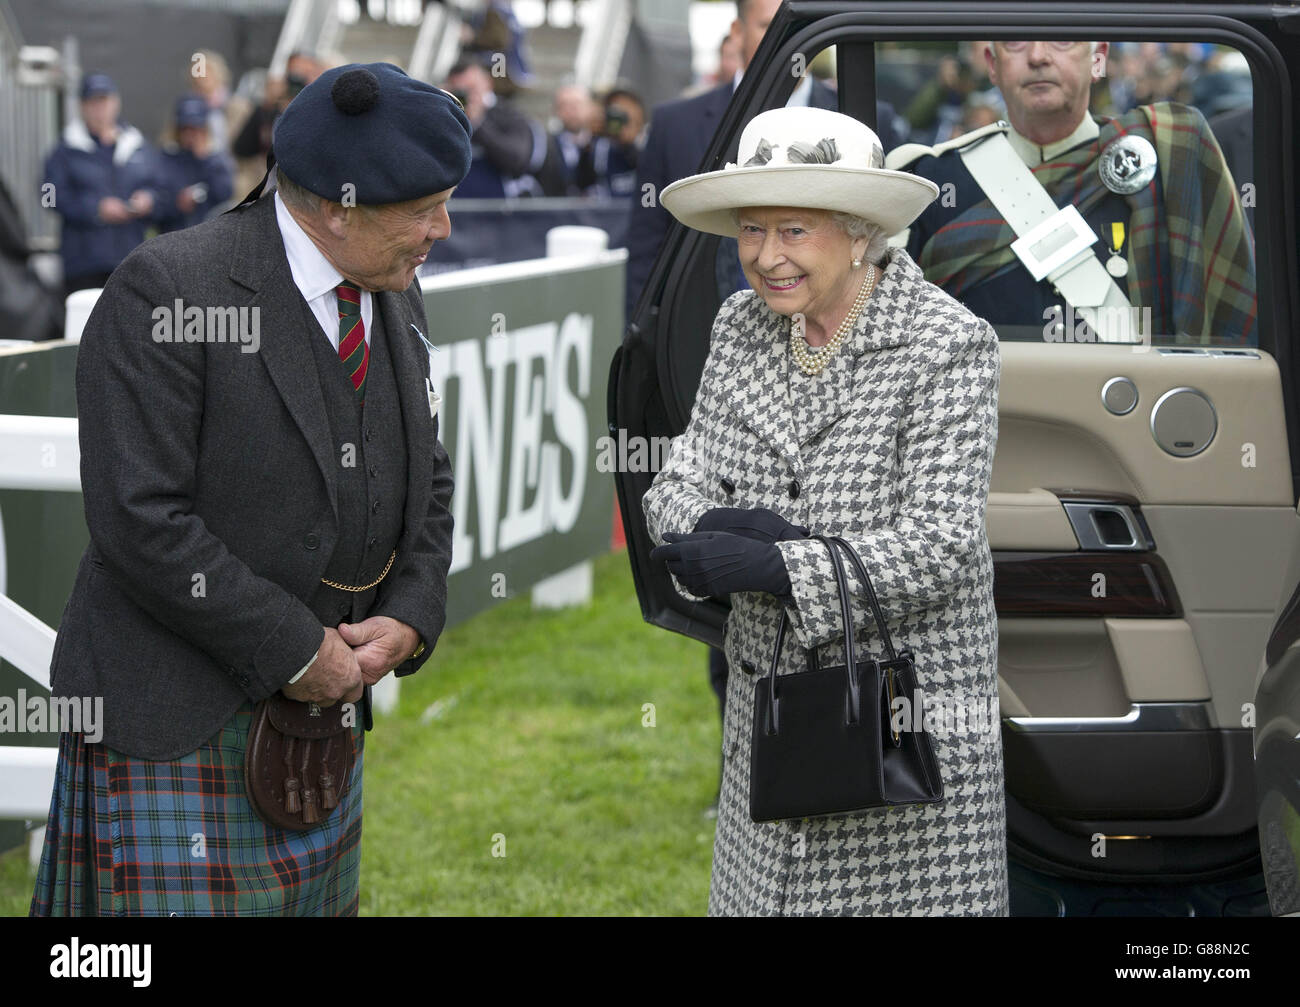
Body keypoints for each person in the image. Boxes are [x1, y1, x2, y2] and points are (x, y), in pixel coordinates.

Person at [30, 63, 466, 917]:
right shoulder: (167, 291)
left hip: (318, 737)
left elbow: (429, 474)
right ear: (337, 205)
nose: (442, 230)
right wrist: (297, 651)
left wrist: (413, 609)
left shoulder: (395, 294)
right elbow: (139, 520)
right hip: (173, 724)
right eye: (422, 210)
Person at [645, 106, 1006, 915]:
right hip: (770, 720)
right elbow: (676, 482)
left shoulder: (947, 343)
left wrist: (785, 562)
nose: (765, 257)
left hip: (904, 730)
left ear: (859, 232)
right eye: (750, 230)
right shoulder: (741, 326)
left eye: (794, 230)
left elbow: (944, 540)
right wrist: (709, 531)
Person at [893, 40, 1256, 345]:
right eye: (1016, 42)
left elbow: (1225, 325)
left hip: (1129, 413)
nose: (1037, 56)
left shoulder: (1169, 155)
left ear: (1098, 58)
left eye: (1061, 39)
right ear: (992, 64)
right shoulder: (930, 180)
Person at [42, 73, 162, 296]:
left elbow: (160, 187)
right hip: (84, 263)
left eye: (104, 100)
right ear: (82, 106)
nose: (100, 108)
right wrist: (95, 209)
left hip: (130, 258)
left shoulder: (138, 146)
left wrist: (148, 199)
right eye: (93, 102)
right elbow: (48, 197)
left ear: (116, 102)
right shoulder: (65, 150)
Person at [445, 57, 563, 197]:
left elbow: (517, 159)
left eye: (471, 89)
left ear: (487, 83)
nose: (467, 96)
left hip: (498, 208)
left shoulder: (508, 115)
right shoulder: (446, 117)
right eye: (459, 92)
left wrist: (477, 124)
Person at [156, 94, 234, 232]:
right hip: (173, 234)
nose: (191, 135)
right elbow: (156, 202)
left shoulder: (215, 158)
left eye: (196, 129)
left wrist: (203, 158)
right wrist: (176, 203)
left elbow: (225, 194)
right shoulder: (167, 157)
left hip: (209, 234)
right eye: (185, 128)